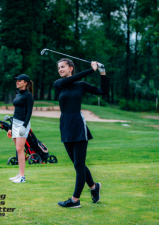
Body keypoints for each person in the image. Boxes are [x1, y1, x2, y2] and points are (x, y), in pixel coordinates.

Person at [54, 59, 107, 208]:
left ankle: (75, 200)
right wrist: (91, 70)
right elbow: (73, 79)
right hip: (65, 125)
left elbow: (103, 91)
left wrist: (102, 72)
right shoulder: (59, 84)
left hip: (77, 125)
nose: (60, 69)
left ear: (71, 68)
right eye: (59, 67)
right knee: (78, 164)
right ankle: (94, 187)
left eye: (63, 67)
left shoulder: (81, 85)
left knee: (78, 164)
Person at [7, 74, 34, 183]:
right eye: (16, 80)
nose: (17, 82)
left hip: (23, 124)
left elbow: (29, 112)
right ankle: (19, 174)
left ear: (25, 83)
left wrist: (24, 125)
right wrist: (10, 126)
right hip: (15, 124)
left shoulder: (28, 95)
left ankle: (22, 177)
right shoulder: (18, 94)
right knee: (19, 151)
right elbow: (15, 112)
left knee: (19, 149)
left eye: (19, 80)